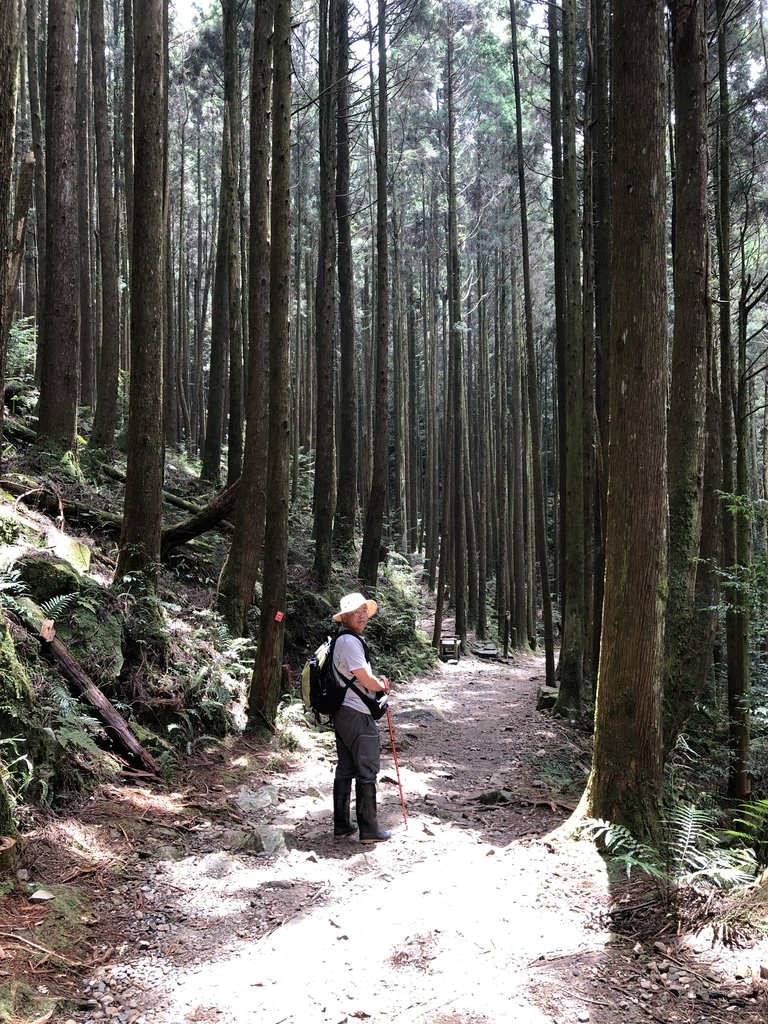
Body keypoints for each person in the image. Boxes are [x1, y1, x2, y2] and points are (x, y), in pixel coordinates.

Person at [330, 592, 392, 843]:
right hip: (356, 713)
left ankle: (343, 825)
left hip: (343, 712)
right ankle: (369, 830)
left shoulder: (341, 640)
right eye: (357, 612)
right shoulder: (350, 642)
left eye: (364, 611)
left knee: (346, 768)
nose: (363, 616)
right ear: (344, 617)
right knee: (367, 769)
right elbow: (364, 678)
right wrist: (382, 687)